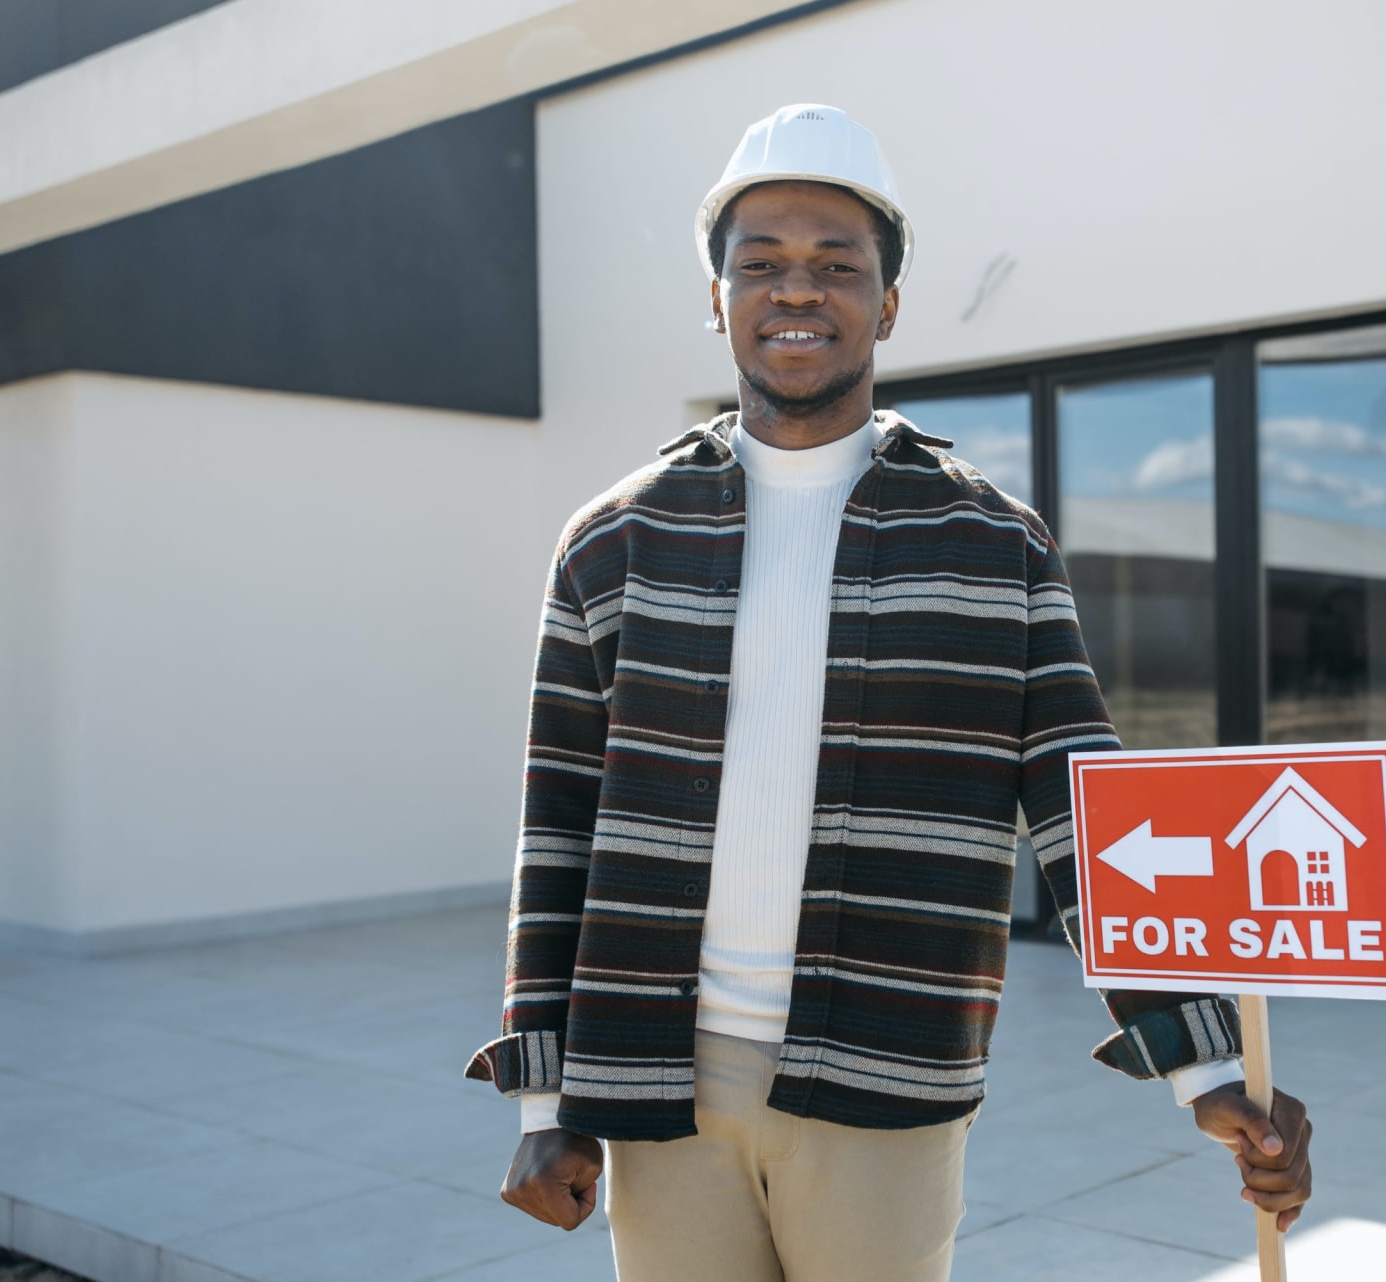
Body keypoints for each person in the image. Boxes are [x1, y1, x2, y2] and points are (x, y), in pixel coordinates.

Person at [469, 103, 1313, 1281]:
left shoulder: (991, 542)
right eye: (758, 265)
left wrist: (1209, 1068)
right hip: (662, 1078)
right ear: (715, 298)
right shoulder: (613, 541)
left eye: (836, 265)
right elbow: (555, 823)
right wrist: (541, 1096)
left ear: (890, 302)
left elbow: (1087, 811)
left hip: (889, 1073)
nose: (796, 292)